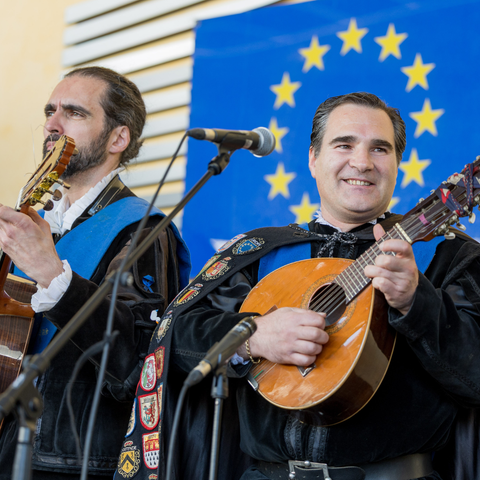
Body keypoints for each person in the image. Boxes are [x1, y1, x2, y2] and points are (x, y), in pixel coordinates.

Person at [123, 92, 480, 480]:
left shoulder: (445, 257)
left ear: (397, 164)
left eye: (380, 149)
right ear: (313, 158)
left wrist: (417, 303)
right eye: (344, 144)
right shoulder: (257, 251)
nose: (361, 162)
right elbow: (172, 340)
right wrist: (250, 336)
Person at [0, 66, 190, 479]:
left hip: (71, 461)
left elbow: (137, 361)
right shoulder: (37, 223)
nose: (52, 124)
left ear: (118, 138)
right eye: (50, 111)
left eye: (75, 113)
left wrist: (52, 273)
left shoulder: (143, 229)